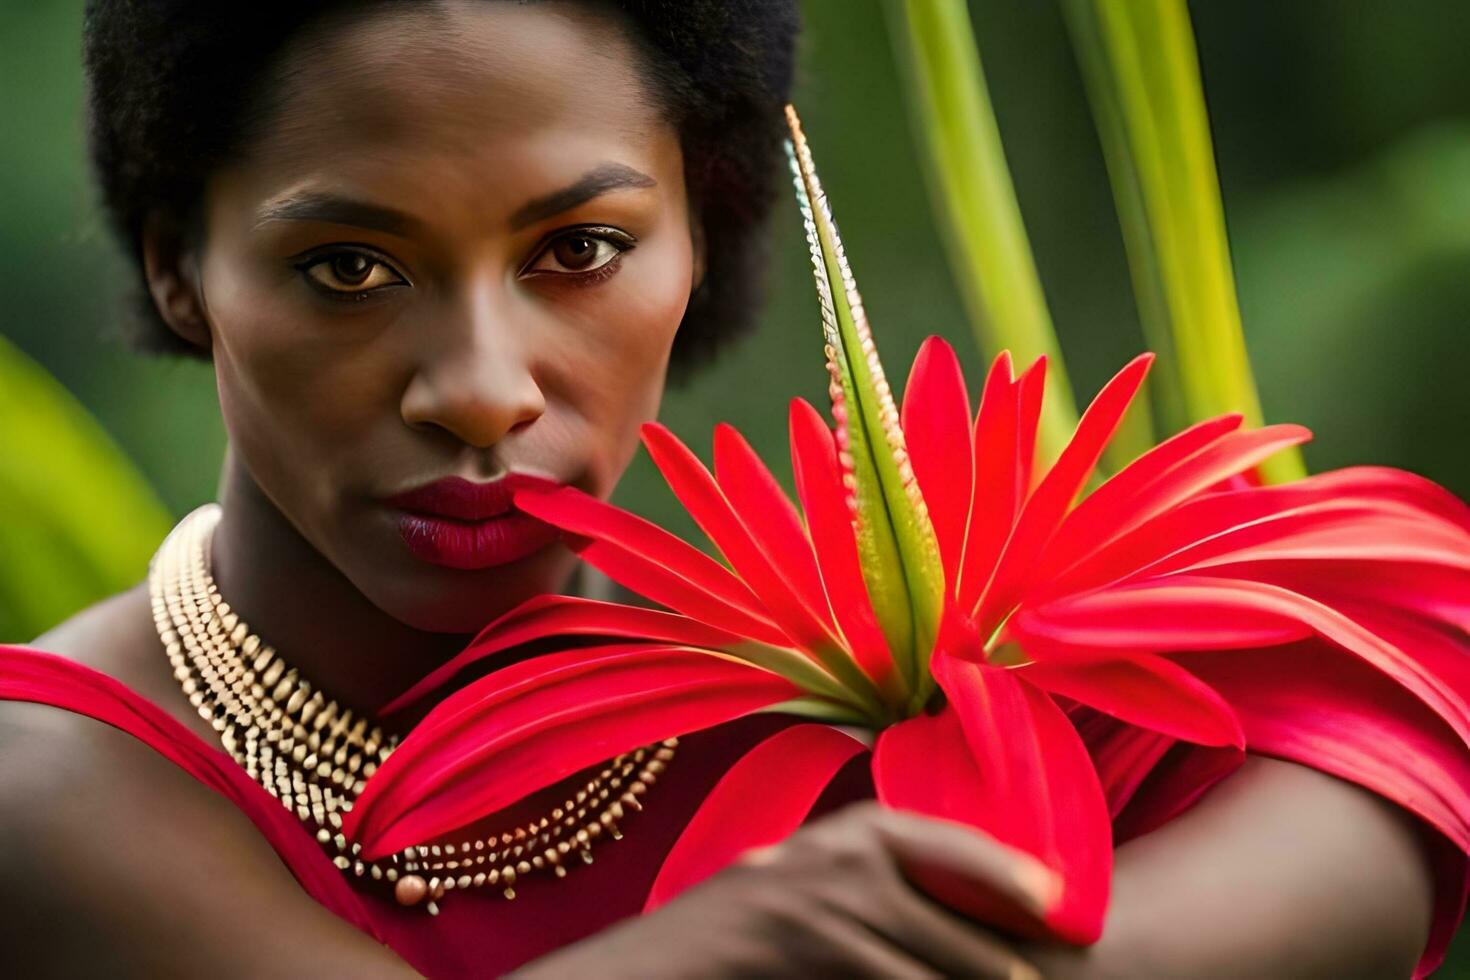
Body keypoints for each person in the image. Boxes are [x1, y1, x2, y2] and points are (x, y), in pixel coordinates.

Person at [0, 1, 1448, 976]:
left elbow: (1407, 668)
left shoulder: (865, 676)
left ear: (705, 230)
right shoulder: (51, 783)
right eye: (348, 270)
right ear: (177, 267)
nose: (481, 387)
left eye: (577, 251)